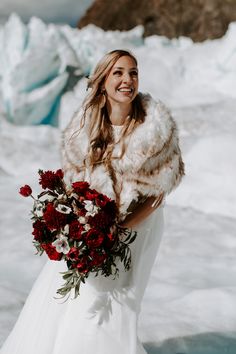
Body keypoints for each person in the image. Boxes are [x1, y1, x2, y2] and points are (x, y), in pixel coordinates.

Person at [0, 49, 184, 354]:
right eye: (118, 73)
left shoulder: (155, 127)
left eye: (133, 72)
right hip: (89, 232)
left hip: (137, 229)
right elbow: (75, 189)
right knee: (60, 300)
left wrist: (119, 229)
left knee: (112, 306)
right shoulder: (84, 128)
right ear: (102, 82)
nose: (128, 80)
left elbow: (157, 195)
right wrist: (73, 227)